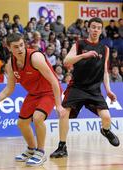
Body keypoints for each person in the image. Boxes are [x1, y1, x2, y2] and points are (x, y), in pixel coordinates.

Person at [50, 17, 120, 159]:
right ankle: (62, 147)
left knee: (106, 118)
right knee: (64, 114)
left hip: (94, 90)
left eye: (98, 28)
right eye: (93, 27)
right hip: (77, 87)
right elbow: (66, 61)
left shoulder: (105, 49)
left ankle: (105, 131)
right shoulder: (79, 44)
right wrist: (83, 55)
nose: (95, 30)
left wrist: (108, 90)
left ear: (101, 31)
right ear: (88, 28)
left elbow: (105, 72)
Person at [0, 33, 66, 166]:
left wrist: (59, 105)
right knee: (21, 123)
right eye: (16, 47)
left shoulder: (35, 58)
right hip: (34, 94)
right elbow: (9, 89)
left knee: (38, 117)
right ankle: (31, 149)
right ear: (9, 48)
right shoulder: (10, 64)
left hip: (49, 91)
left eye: (22, 45)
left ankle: (40, 152)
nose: (20, 49)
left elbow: (54, 81)